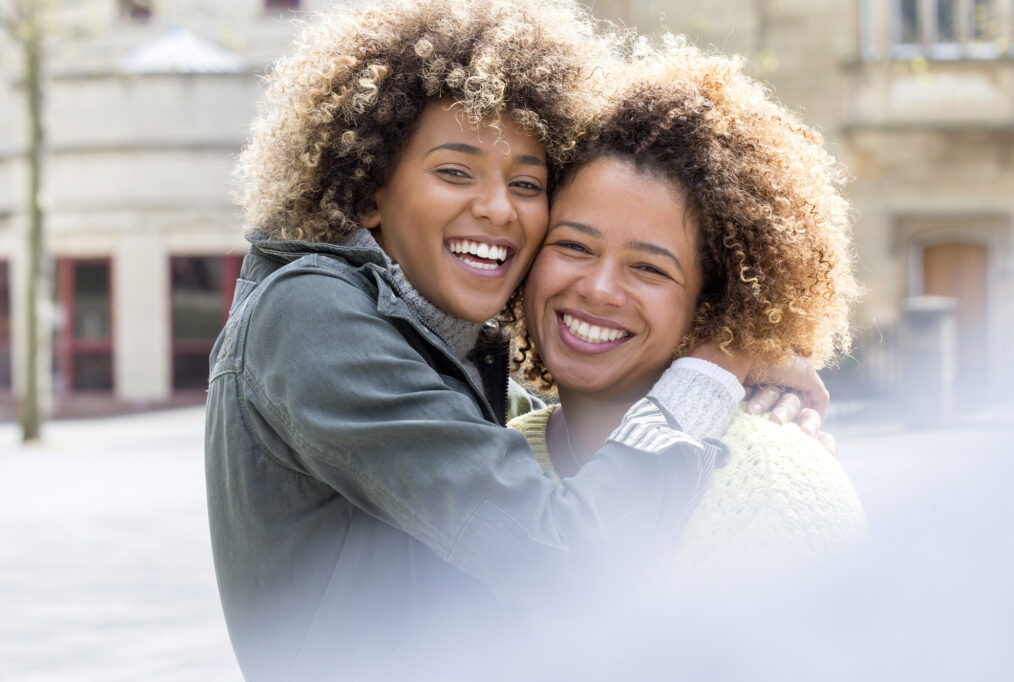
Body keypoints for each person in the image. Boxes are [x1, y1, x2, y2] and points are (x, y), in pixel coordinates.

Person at [205, 1, 828, 678]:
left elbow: (466, 455)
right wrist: (716, 365)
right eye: (454, 172)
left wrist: (734, 401)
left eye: (527, 184)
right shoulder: (310, 313)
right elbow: (565, 560)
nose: (498, 208)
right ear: (367, 194)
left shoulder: (425, 336)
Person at [509, 41, 868, 579]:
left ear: (716, 302)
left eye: (649, 269)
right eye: (574, 246)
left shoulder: (774, 484)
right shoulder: (489, 458)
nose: (599, 288)